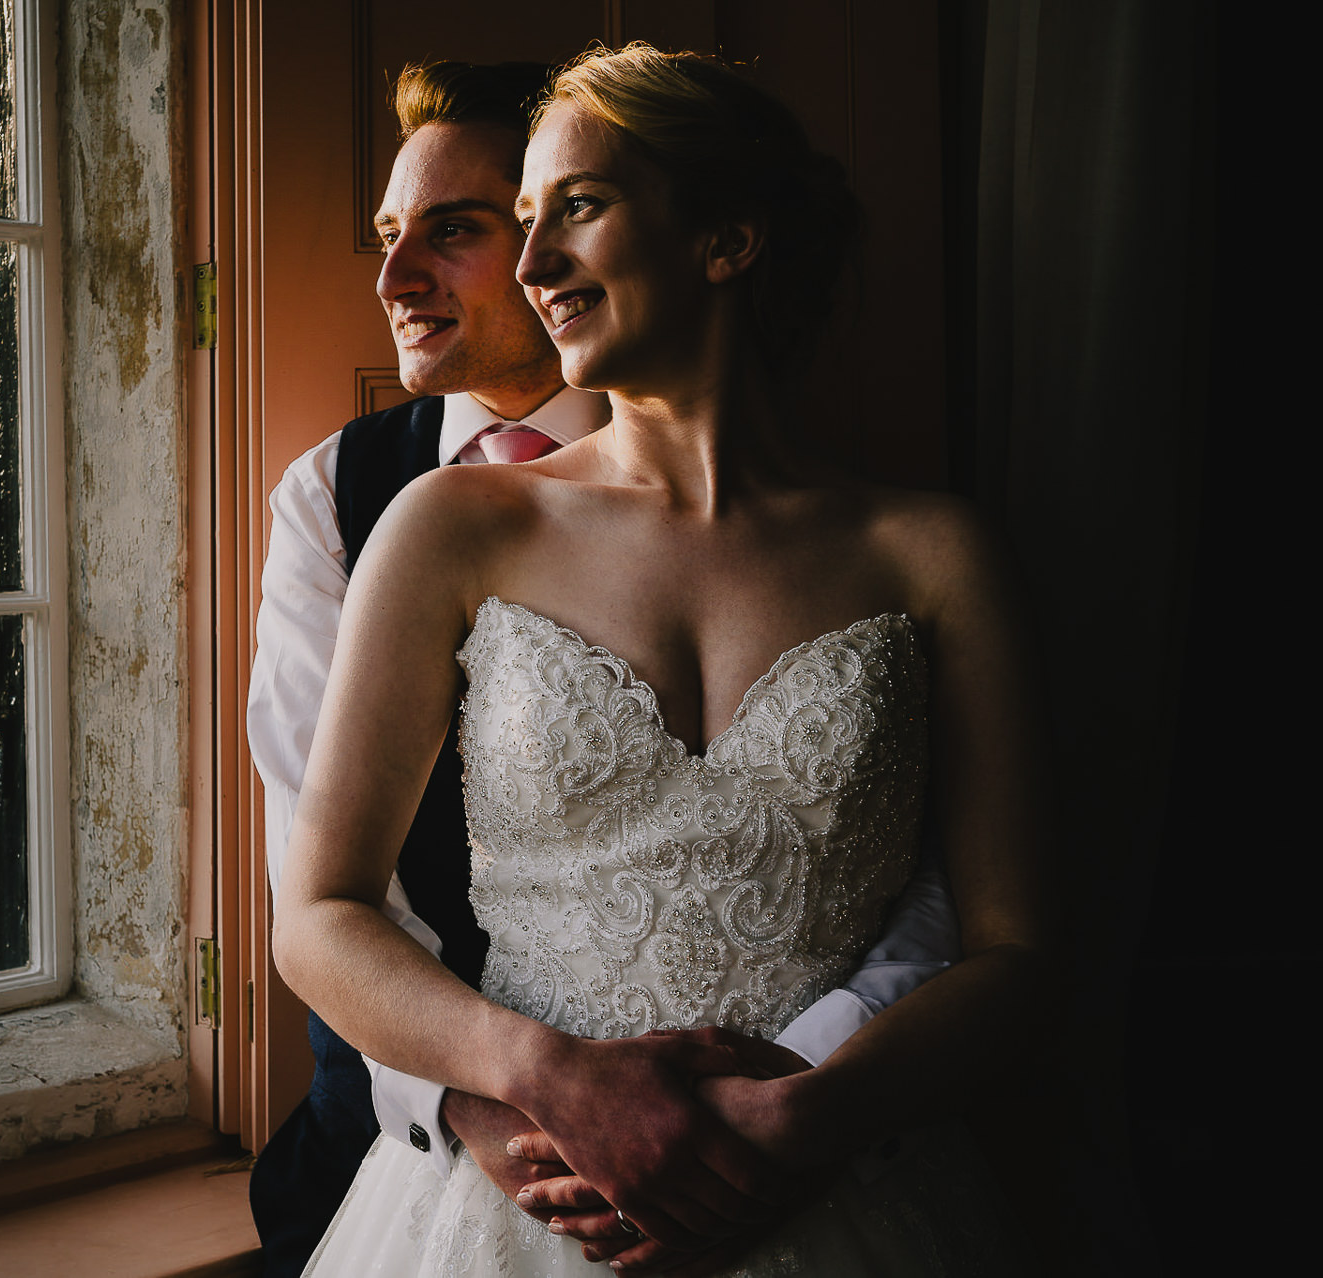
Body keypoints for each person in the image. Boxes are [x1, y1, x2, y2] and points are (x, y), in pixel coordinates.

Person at [272, 44, 1052, 1276]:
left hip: (844, 1193)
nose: (530, 268)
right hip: (517, 1206)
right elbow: (317, 917)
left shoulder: (934, 553)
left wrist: (818, 1113)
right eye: (523, 223)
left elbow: (1019, 951)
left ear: (727, 240)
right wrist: (545, 1080)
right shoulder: (451, 526)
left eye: (573, 208)